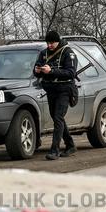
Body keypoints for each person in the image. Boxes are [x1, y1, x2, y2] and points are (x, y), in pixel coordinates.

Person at [34, 30, 78, 160]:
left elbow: (71, 73)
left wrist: (51, 71)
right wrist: (37, 70)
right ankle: (70, 145)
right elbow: (38, 70)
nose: (50, 45)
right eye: (48, 42)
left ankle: (55, 150)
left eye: (52, 42)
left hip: (65, 89)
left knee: (58, 117)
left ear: (57, 41)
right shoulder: (43, 53)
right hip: (51, 90)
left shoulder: (68, 52)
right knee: (56, 117)